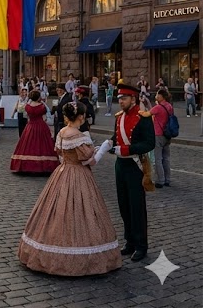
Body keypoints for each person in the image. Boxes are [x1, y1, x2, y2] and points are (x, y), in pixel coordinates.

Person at [17, 101, 122, 276]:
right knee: (83, 212)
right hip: (79, 175)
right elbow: (91, 161)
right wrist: (104, 147)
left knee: (56, 210)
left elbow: (60, 153)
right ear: (80, 117)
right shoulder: (80, 136)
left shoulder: (62, 133)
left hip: (62, 173)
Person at [112, 84, 156, 262]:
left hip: (135, 166)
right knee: (124, 205)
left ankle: (141, 245)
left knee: (136, 207)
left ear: (133, 99)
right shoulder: (119, 117)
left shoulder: (143, 118)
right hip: (120, 166)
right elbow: (115, 138)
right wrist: (108, 146)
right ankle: (129, 241)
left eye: (124, 98)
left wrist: (126, 150)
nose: (120, 101)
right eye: (119, 99)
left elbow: (149, 143)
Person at [10, 90, 60, 174]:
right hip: (41, 126)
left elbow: (28, 117)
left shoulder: (28, 106)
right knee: (43, 144)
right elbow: (44, 118)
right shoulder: (41, 106)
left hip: (30, 126)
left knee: (28, 143)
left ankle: (26, 165)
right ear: (38, 97)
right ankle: (43, 165)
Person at [149, 88, 173, 189]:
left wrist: (146, 103)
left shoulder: (158, 107)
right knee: (166, 158)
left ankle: (160, 180)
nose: (156, 96)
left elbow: (147, 113)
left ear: (161, 96)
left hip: (158, 134)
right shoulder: (169, 106)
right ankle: (167, 179)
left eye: (158, 94)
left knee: (158, 159)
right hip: (167, 134)